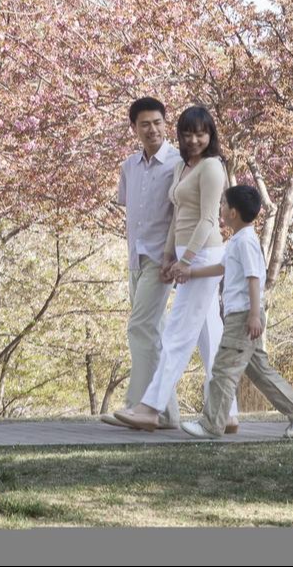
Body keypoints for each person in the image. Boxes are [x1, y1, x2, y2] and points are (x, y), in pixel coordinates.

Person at [113, 105, 238, 432]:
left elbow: (208, 219)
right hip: (182, 254)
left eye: (201, 133)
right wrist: (172, 254)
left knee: (178, 336)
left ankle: (151, 407)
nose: (194, 139)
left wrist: (183, 261)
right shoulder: (184, 167)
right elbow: (178, 215)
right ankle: (227, 411)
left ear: (211, 134)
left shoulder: (212, 167)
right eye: (188, 133)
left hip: (202, 254)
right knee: (205, 334)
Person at [182, 184, 293, 440]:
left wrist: (255, 314)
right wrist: (190, 272)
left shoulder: (246, 241)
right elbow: (220, 268)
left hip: (243, 316)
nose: (220, 208)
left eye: (222, 204)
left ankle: (211, 425)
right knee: (260, 371)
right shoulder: (238, 240)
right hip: (241, 314)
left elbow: (254, 278)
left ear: (232, 212)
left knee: (223, 370)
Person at [102, 97, 184, 428]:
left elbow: (182, 213)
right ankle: (166, 413)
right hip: (135, 257)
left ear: (166, 123)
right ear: (134, 128)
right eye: (145, 124)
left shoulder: (179, 164)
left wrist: (175, 254)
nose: (152, 129)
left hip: (161, 258)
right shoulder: (128, 167)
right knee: (154, 333)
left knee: (140, 328)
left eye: (158, 123)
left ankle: (139, 406)